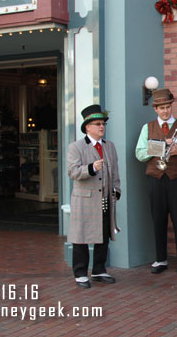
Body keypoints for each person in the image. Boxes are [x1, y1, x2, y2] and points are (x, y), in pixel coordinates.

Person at [135, 88, 177, 275]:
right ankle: (160, 259)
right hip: (155, 178)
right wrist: (157, 149)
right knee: (158, 219)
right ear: (155, 109)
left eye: (168, 107)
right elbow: (139, 154)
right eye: (161, 108)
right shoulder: (147, 128)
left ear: (171, 106)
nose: (165, 111)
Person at [67, 104, 121, 289]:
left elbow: (115, 171)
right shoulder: (76, 147)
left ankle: (99, 269)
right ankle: (80, 273)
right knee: (81, 236)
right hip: (85, 199)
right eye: (97, 124)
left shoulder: (109, 146)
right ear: (87, 127)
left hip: (105, 198)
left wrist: (116, 189)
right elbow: (72, 172)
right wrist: (91, 168)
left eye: (103, 124)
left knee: (104, 234)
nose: (101, 127)